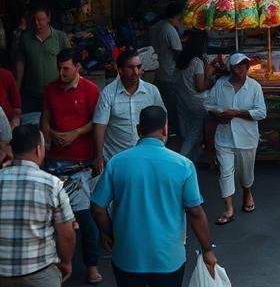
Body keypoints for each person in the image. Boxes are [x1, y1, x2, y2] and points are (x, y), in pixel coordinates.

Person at [90, 106, 217, 286]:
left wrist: (109, 233)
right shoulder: (183, 165)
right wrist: (207, 249)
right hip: (168, 259)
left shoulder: (117, 163)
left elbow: (97, 208)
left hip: (127, 257)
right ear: (165, 129)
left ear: (138, 130)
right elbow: (195, 212)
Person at [40, 49, 102, 285]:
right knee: (55, 220)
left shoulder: (90, 89)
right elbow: (45, 118)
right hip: (55, 162)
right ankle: (59, 264)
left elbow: (96, 122)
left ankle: (92, 266)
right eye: (59, 68)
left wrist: (76, 134)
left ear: (77, 67)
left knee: (85, 218)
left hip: (80, 164)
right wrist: (52, 134)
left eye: (66, 68)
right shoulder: (50, 89)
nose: (61, 72)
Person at [0, 125, 75, 287]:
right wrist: (66, 261)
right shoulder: (52, 184)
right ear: (39, 149)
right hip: (39, 273)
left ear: (12, 150)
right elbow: (66, 235)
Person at [205, 53, 266, 224]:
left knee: (245, 173)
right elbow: (208, 105)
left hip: (247, 137)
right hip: (224, 136)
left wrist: (237, 113)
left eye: (241, 66)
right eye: (235, 67)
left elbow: (261, 112)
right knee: (225, 171)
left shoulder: (254, 87)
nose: (238, 70)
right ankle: (229, 208)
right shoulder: (220, 85)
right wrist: (219, 114)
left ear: (247, 67)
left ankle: (247, 191)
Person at [92, 50, 164, 169]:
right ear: (119, 70)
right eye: (131, 68)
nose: (136, 72)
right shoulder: (108, 93)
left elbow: (162, 118)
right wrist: (98, 156)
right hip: (116, 159)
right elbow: (100, 126)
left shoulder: (152, 91)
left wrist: (162, 142)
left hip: (145, 158)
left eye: (139, 67)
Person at [15, 8, 70, 120]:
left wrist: (69, 83)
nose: (37, 23)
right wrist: (18, 85)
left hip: (56, 92)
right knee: (31, 125)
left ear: (48, 18)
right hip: (31, 93)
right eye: (34, 20)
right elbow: (21, 61)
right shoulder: (25, 38)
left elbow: (69, 61)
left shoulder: (60, 37)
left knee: (57, 122)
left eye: (40, 20)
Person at [147, 1, 184, 135]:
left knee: (161, 104)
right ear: (179, 15)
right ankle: (171, 131)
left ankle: (163, 130)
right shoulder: (169, 29)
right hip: (170, 73)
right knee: (171, 105)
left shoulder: (155, 27)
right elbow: (178, 52)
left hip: (157, 73)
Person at [173, 34, 210, 163]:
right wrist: (210, 79)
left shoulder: (181, 60)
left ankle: (192, 161)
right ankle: (182, 161)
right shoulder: (197, 62)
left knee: (188, 132)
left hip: (182, 99)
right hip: (196, 102)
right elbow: (200, 86)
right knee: (193, 133)